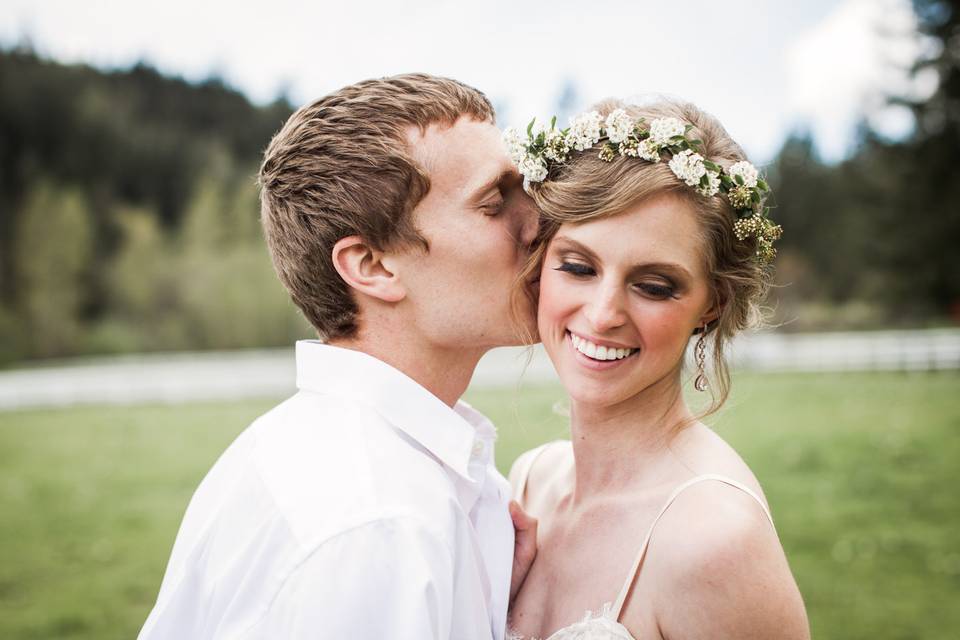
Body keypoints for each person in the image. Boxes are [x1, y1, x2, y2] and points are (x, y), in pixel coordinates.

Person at [139, 73, 539, 640]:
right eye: (495, 202)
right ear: (373, 267)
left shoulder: (367, 466)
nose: (539, 222)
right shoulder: (373, 525)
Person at [503, 99, 810, 639]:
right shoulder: (531, 483)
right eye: (577, 267)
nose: (603, 314)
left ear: (710, 304)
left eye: (653, 286)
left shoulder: (713, 538)